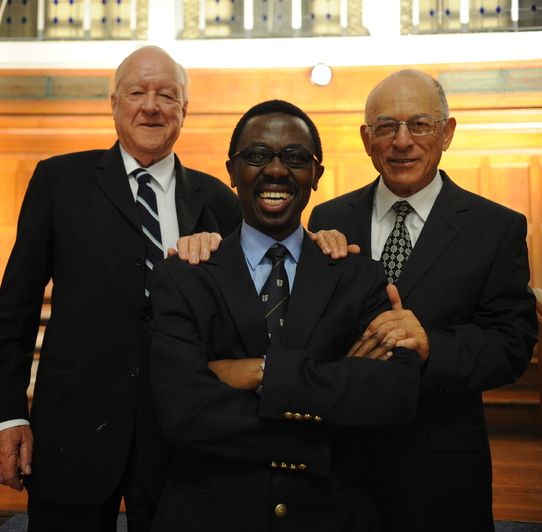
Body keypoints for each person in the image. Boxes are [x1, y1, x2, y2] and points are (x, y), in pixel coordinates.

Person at [0, 46, 243, 532]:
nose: (151, 105)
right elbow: (14, 308)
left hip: (180, 440)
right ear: (114, 102)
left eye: (166, 94)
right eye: (137, 92)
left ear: (184, 109)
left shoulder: (219, 202)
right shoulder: (59, 181)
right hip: (73, 430)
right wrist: (4, 417)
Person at [148, 99, 424, 531]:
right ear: (231, 169)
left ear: (316, 175)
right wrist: (324, 418)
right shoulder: (182, 277)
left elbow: (393, 394)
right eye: (257, 156)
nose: (276, 171)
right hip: (211, 514)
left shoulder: (359, 275)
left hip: (332, 515)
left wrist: (262, 372)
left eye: (295, 158)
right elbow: (182, 412)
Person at [308, 69, 538, 532]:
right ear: (366, 139)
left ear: (447, 133)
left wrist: (430, 344)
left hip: (440, 468)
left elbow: (512, 344)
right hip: (339, 463)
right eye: (386, 127)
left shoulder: (495, 228)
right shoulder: (328, 219)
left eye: (420, 124)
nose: (402, 140)